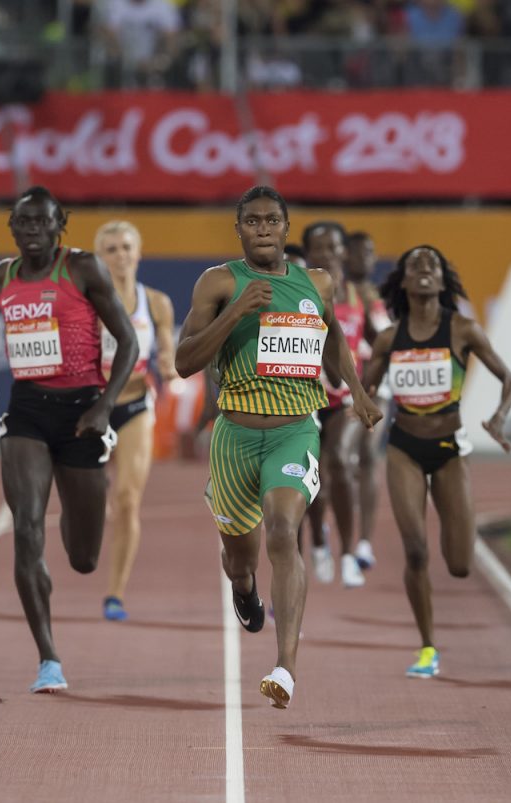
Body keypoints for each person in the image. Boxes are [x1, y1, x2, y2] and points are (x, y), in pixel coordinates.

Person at [175, 186, 382, 709]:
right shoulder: (219, 282)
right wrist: (236, 311)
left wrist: (356, 393)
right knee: (241, 557)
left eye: (272, 220)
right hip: (235, 438)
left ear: (287, 230)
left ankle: (285, 666)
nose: (263, 228)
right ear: (239, 229)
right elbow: (184, 361)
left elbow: (332, 336)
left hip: (295, 429)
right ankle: (245, 590)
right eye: (253, 221)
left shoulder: (317, 283)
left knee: (284, 529)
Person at [0, 186, 138, 693]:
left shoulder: (83, 270)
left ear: (60, 225)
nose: (32, 230)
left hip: (83, 412)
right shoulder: (0, 277)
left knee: (84, 558)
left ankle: (69, 527)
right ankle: (48, 658)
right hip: (28, 412)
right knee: (26, 527)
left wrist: (105, 405)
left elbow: (128, 339)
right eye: (23, 223)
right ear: (12, 229)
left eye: (42, 222)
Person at [361, 245, 511, 679]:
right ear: (405, 281)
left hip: (449, 450)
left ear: (443, 281)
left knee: (460, 565)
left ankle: (436, 623)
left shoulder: (463, 330)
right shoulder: (390, 338)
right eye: (416, 266)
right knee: (415, 552)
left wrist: (498, 418)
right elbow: (364, 392)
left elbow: (508, 379)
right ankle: (428, 647)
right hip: (404, 448)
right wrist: (362, 410)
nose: (425, 270)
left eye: (433, 265)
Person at [94, 220, 177, 621]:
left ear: (139, 253)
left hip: (135, 408)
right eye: (111, 249)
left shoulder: (156, 302)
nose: (120, 255)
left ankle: (115, 593)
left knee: (127, 501)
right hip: (91, 410)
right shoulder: (86, 303)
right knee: (92, 503)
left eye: (127, 247)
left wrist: (170, 365)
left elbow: (168, 354)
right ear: (99, 258)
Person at [301, 221, 377, 589]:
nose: (326, 255)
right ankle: (318, 538)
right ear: (307, 255)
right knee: (310, 476)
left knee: (341, 462)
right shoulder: (296, 289)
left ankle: (348, 552)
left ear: (344, 252)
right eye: (318, 249)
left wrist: (372, 387)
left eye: (333, 248)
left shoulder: (360, 294)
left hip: (345, 397)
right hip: (304, 396)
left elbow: (382, 342)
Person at [345, 231, 392, 572]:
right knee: (337, 459)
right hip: (344, 386)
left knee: (366, 458)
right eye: (359, 253)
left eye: (371, 252)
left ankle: (364, 542)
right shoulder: (336, 292)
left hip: (376, 387)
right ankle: (329, 528)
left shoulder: (376, 297)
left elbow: (383, 343)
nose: (366, 259)